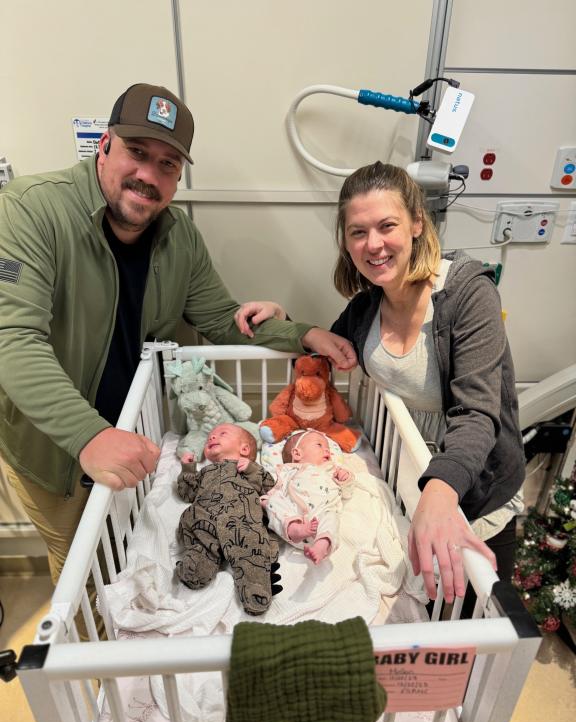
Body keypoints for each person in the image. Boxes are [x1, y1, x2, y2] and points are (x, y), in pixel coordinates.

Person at [0, 82, 356, 591]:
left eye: (168, 164)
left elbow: (220, 317)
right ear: (104, 145)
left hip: (135, 433)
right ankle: (98, 664)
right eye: (137, 153)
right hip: (53, 447)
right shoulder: (29, 211)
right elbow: (12, 340)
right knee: (83, 574)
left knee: (132, 557)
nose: (149, 175)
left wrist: (305, 333)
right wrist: (89, 435)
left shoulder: (179, 236)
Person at [237, 161, 525, 603]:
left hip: (473, 483)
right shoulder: (366, 308)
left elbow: (477, 413)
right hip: (406, 475)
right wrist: (285, 322)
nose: (374, 244)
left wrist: (440, 490)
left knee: (471, 624)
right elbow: (325, 357)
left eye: (386, 225)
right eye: (357, 232)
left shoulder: (467, 295)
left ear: (416, 223)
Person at [175, 423, 280, 615]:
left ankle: (255, 588)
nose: (212, 438)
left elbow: (269, 486)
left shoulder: (248, 469)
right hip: (204, 517)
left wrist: (251, 470)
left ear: (244, 449)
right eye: (209, 438)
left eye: (222, 434)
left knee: (250, 547)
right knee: (200, 541)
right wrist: (188, 469)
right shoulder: (204, 472)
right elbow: (187, 493)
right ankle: (196, 568)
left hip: (241, 517)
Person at [261, 429, 354, 564]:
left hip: (321, 514)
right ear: (297, 453)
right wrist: (267, 502)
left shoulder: (332, 469)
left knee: (331, 516)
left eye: (328, 448)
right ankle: (294, 528)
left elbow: (347, 492)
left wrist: (345, 479)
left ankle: (322, 545)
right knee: (273, 501)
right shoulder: (287, 470)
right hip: (294, 519)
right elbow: (275, 489)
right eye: (319, 445)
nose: (327, 451)